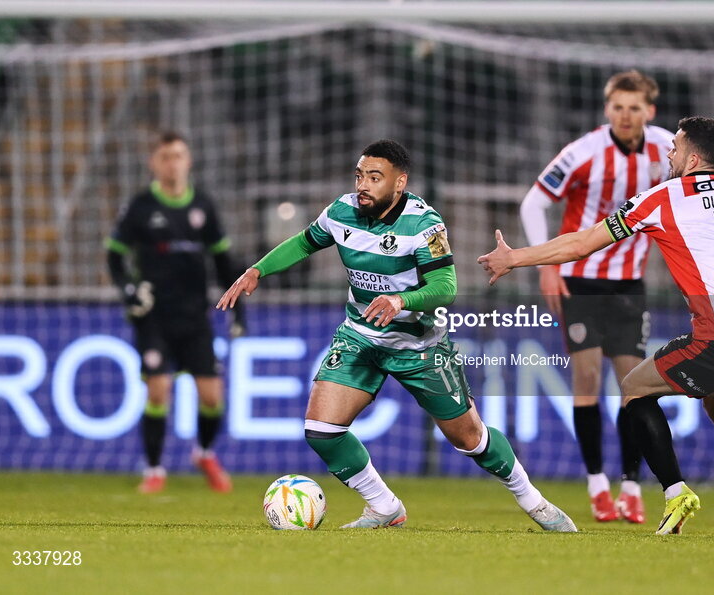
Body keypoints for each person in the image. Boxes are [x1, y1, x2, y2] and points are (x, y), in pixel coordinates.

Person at [217, 139, 576, 532]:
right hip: (361, 338)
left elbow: (446, 286)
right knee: (322, 430)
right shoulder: (341, 212)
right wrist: (257, 270)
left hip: (420, 346)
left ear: (399, 183)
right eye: (360, 175)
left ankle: (536, 504)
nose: (363, 185)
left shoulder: (425, 224)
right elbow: (305, 242)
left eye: (375, 177)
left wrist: (401, 300)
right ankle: (384, 506)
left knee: (470, 438)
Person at [479, 117, 714, 537]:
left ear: (693, 158)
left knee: (635, 387)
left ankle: (676, 493)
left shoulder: (661, 198)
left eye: (674, 147)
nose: (667, 154)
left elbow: (582, 243)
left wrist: (515, 258)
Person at [520, 69, 674, 524]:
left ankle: (630, 487)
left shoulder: (668, 149)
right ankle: (596, 486)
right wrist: (547, 267)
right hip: (579, 279)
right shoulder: (583, 152)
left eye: (634, 108)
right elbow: (533, 202)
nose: (625, 116)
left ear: (650, 110)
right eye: (618, 107)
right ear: (607, 109)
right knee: (586, 379)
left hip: (630, 283)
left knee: (634, 386)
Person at [106, 131, 246, 494]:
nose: (173, 163)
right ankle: (154, 470)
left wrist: (238, 310)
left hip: (194, 316)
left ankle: (203, 453)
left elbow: (223, 261)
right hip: (153, 315)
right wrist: (129, 290)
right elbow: (114, 256)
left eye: (179, 155)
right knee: (158, 389)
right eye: (166, 156)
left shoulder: (203, 205)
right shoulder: (140, 206)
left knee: (213, 395)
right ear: (154, 162)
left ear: (189, 161)